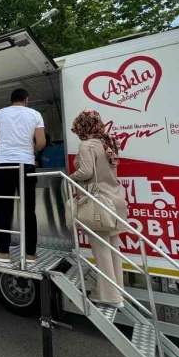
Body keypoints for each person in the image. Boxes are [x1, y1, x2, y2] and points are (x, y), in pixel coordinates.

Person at [69, 109, 128, 308]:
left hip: (99, 203)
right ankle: (116, 290)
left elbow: (86, 171)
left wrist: (71, 177)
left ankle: (110, 297)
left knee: (101, 250)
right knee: (113, 249)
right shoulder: (107, 142)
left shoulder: (87, 145)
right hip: (115, 200)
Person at [0, 88, 46, 263]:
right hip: (26, 164)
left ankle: (3, 252)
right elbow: (41, 143)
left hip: (3, 163)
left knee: (3, 207)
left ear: (11, 100)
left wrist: (3, 142)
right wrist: (28, 147)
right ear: (26, 100)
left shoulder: (0, 113)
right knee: (28, 209)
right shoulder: (35, 114)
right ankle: (30, 254)